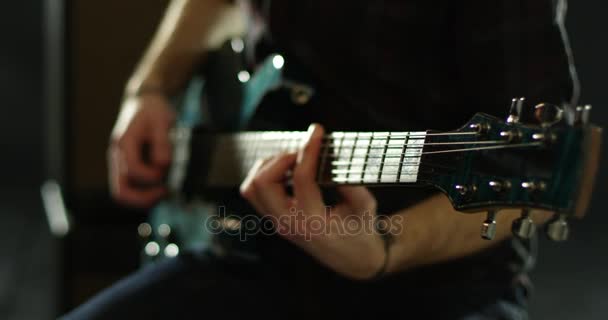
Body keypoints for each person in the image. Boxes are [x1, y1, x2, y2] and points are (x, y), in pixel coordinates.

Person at [63, 0, 578, 319]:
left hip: (432, 289)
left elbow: (538, 170)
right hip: (245, 253)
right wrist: (150, 87)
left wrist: (385, 249)